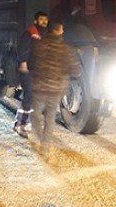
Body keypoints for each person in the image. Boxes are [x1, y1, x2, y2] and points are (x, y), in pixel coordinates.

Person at [29, 21, 80, 157]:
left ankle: (40, 138)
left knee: (34, 115)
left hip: (40, 87)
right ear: (59, 31)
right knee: (50, 118)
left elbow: (31, 63)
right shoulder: (67, 49)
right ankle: (45, 146)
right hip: (56, 89)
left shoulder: (40, 45)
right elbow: (76, 70)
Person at [13, 11, 48, 137]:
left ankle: (28, 122)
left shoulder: (44, 34)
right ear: (36, 21)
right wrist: (23, 62)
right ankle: (20, 124)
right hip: (29, 70)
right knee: (29, 96)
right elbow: (21, 49)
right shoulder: (29, 33)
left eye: (45, 19)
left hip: (38, 70)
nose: (44, 21)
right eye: (41, 19)